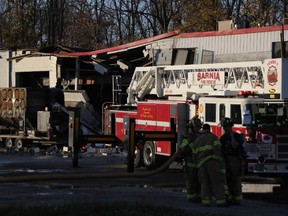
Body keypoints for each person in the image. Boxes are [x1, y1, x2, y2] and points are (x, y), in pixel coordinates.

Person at [192, 123, 228, 207]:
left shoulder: (197, 140)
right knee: (217, 182)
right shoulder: (213, 137)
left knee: (204, 183)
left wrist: (197, 164)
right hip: (212, 162)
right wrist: (216, 157)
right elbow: (218, 147)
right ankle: (220, 202)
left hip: (201, 164)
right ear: (209, 129)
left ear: (203, 129)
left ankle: (206, 202)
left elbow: (194, 154)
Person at [220, 117, 247, 206]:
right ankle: (229, 197)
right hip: (225, 159)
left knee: (235, 179)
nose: (225, 128)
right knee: (227, 179)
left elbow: (235, 146)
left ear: (230, 127)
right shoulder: (223, 137)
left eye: (226, 126)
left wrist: (231, 137)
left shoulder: (236, 136)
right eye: (224, 127)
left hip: (234, 159)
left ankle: (237, 199)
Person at [179, 116, 202, 203]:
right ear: (193, 127)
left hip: (199, 163)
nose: (198, 128)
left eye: (199, 127)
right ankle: (191, 198)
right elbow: (184, 148)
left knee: (199, 181)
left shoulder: (201, 136)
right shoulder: (188, 137)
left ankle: (199, 197)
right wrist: (193, 146)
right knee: (191, 182)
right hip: (190, 163)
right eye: (197, 127)